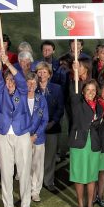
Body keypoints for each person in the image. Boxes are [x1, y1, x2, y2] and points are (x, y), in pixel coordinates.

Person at [0, 53, 34, 207]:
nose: (10, 83)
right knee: (6, 170)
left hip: (22, 133)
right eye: (8, 80)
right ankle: (7, 204)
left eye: (12, 80)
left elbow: (22, 80)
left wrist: (8, 63)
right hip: (3, 134)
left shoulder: (22, 90)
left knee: (24, 169)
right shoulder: (1, 91)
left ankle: (25, 203)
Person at [68, 78, 103, 207]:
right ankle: (80, 205)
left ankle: (90, 205)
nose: (90, 92)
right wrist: (75, 75)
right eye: (87, 89)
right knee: (79, 174)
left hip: (94, 143)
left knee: (92, 175)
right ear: (82, 91)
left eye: (93, 90)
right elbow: (73, 95)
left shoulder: (99, 106)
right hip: (79, 142)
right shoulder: (78, 103)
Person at [36, 63, 64, 194]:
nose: (42, 75)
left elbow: (60, 108)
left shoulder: (57, 89)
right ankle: (36, 181)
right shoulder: (33, 88)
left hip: (52, 128)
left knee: (50, 156)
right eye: (39, 72)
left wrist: (52, 122)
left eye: (44, 72)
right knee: (36, 156)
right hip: (36, 129)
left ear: (49, 74)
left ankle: (48, 180)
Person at [23, 70, 49, 206]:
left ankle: (35, 191)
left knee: (37, 165)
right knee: (24, 165)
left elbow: (45, 120)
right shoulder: (20, 97)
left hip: (38, 138)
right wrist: (26, 135)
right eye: (29, 82)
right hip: (22, 138)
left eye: (34, 82)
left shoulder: (41, 99)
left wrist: (35, 135)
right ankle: (25, 190)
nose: (31, 85)